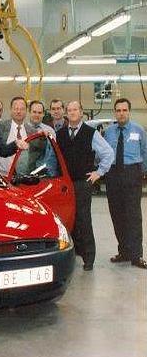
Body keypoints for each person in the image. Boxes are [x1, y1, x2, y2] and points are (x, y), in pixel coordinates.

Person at [56, 101, 114, 271]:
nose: (72, 112)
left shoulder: (91, 133)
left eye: (75, 110)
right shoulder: (60, 134)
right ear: (66, 113)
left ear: (81, 113)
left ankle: (89, 257)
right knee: (67, 219)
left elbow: (108, 153)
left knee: (83, 219)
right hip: (64, 185)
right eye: (69, 110)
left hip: (82, 183)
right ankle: (75, 252)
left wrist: (99, 173)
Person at [104, 98, 147, 269]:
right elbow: (104, 153)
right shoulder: (108, 131)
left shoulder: (139, 130)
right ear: (115, 112)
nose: (121, 113)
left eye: (124, 110)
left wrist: (142, 173)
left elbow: (145, 151)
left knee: (133, 216)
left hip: (132, 173)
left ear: (129, 111)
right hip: (113, 174)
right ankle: (124, 252)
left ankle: (137, 256)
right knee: (117, 214)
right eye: (118, 110)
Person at [0, 97, 36, 175]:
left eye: (22, 109)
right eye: (16, 108)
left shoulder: (32, 131)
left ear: (26, 111)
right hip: (3, 175)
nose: (18, 111)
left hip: (24, 177)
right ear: (11, 110)